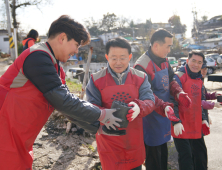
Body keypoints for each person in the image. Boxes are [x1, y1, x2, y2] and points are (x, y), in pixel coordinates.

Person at [0, 15, 124, 170]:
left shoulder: (56, 68)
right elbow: (63, 101)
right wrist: (102, 114)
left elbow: (67, 108)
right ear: (63, 38)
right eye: (77, 45)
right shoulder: (38, 57)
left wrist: (98, 127)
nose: (76, 51)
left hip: (20, 137)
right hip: (5, 134)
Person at [86, 37, 179, 170]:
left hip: (134, 140)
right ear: (107, 57)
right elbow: (90, 106)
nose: (118, 62)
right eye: (113, 58)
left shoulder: (140, 77)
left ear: (130, 57)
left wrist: (139, 107)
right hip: (109, 142)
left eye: (123, 57)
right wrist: (103, 114)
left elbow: (149, 99)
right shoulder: (95, 80)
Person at [134, 28, 191, 170]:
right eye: (168, 46)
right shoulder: (141, 66)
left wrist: (179, 92)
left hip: (165, 114)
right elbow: (146, 94)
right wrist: (164, 107)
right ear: (156, 46)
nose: (169, 50)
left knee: (163, 155)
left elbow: (171, 79)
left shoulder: (164, 60)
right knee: (154, 158)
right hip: (151, 118)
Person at [171, 51, 209, 170]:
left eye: (199, 62)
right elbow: (172, 100)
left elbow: (201, 101)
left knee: (201, 156)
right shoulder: (179, 77)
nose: (196, 65)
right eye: (193, 61)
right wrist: (176, 121)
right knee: (186, 158)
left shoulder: (199, 79)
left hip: (196, 124)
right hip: (181, 125)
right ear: (187, 61)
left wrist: (204, 119)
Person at [201, 59, 222, 125]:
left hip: (202, 113)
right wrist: (213, 104)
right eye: (202, 69)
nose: (205, 71)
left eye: (206, 69)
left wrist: (214, 95)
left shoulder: (201, 80)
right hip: (196, 116)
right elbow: (197, 102)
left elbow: (203, 96)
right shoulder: (194, 81)